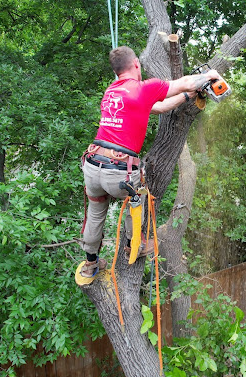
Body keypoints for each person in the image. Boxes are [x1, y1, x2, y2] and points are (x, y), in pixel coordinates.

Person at [79, 46, 222, 277]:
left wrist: (188, 97)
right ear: (136, 63)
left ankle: (90, 264)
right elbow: (185, 81)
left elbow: (160, 106)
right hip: (119, 171)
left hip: (93, 166)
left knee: (96, 214)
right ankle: (134, 246)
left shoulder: (111, 92)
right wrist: (208, 77)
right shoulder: (144, 87)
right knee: (137, 200)